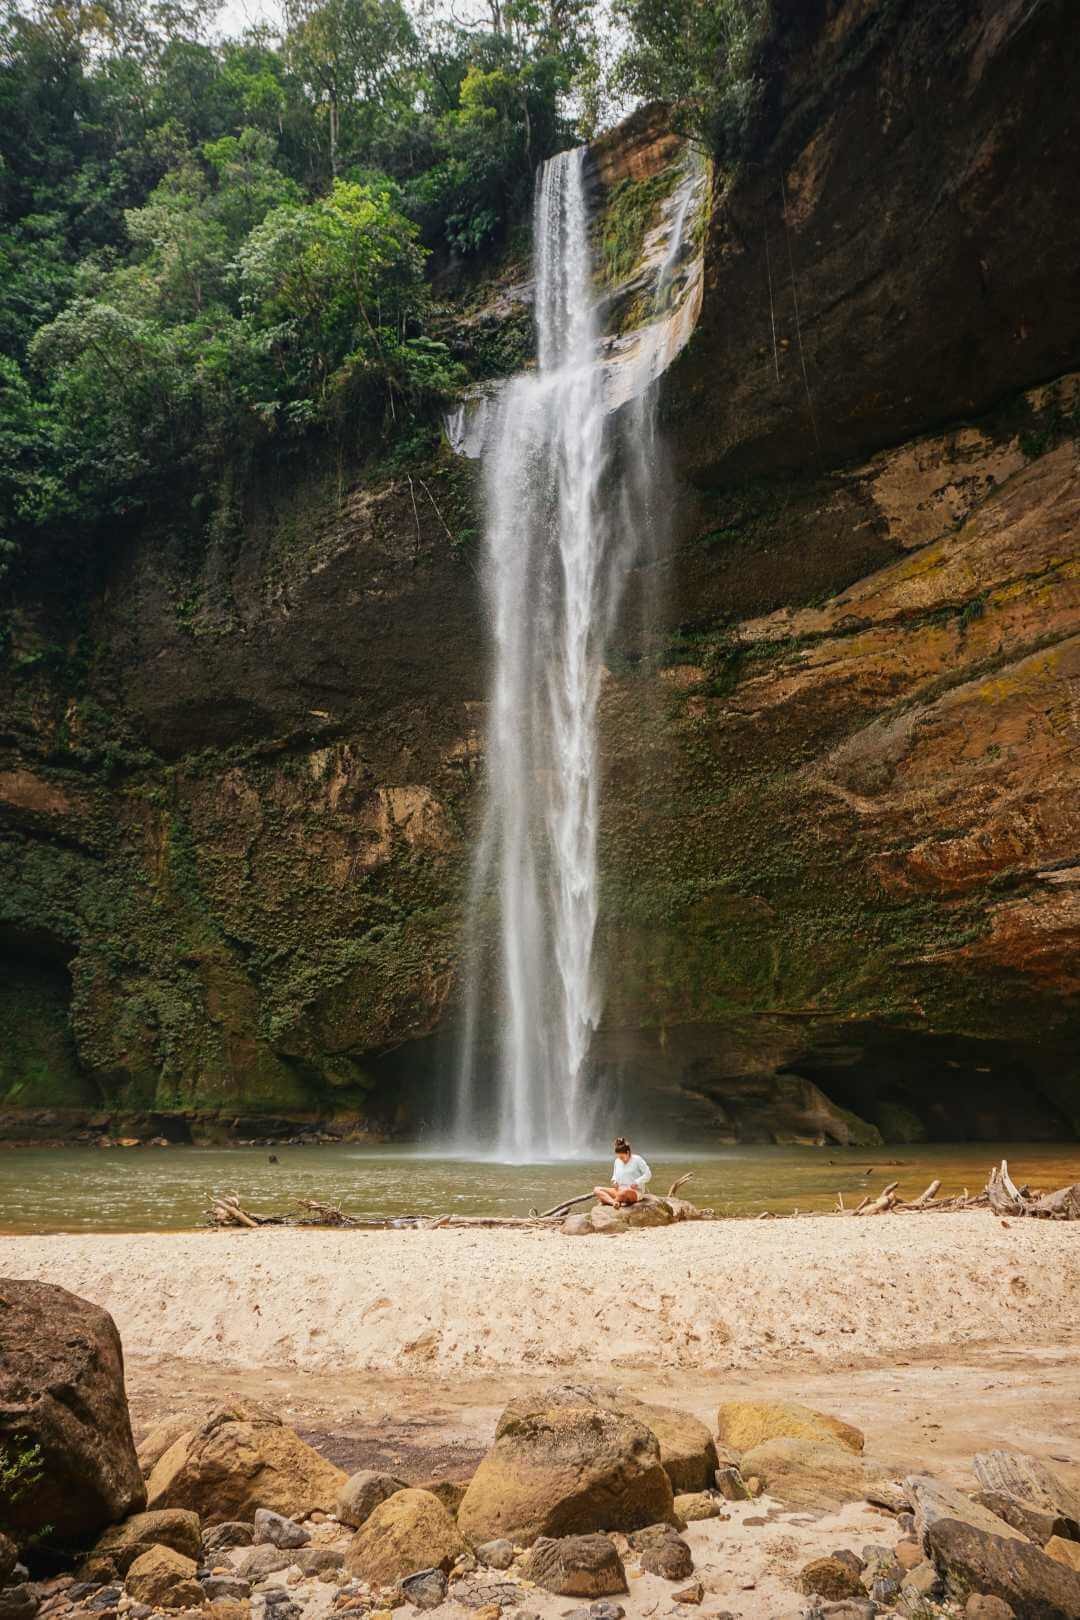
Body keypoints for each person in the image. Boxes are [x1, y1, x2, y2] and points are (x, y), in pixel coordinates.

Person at [593, 1137, 652, 1206]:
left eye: (622, 1157)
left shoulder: (637, 1160)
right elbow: (614, 1176)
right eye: (619, 1157)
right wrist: (614, 1182)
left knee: (624, 1193)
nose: (620, 1159)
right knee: (596, 1189)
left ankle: (607, 1200)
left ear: (628, 1152)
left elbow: (648, 1174)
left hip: (633, 1192)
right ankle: (614, 1202)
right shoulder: (617, 1161)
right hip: (619, 1190)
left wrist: (637, 1182)